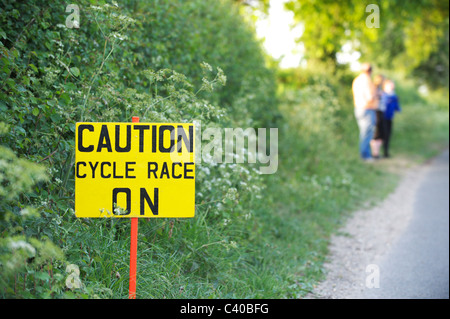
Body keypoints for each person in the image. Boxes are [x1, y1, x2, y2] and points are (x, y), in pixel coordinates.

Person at [352, 63, 378, 161]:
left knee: (363, 132)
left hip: (358, 108)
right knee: (367, 133)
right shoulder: (367, 81)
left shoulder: (357, 80)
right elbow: (369, 97)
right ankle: (365, 156)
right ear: (370, 71)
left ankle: (364, 154)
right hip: (367, 108)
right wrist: (376, 95)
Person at [380, 79, 401, 158]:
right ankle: (379, 152)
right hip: (382, 117)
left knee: (388, 135)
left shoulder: (394, 95)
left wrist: (398, 108)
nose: (392, 86)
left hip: (390, 117)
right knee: (382, 134)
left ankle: (386, 152)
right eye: (390, 85)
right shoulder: (383, 94)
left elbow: (397, 107)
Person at [370, 74, 385, 158]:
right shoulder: (374, 88)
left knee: (380, 133)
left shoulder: (379, 89)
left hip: (380, 111)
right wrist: (378, 94)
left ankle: (377, 152)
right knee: (376, 133)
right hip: (376, 111)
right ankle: (374, 153)